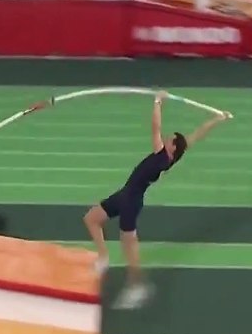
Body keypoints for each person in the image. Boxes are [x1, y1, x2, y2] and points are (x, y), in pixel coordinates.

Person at [83, 91, 231, 309]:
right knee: (92, 218)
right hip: (125, 194)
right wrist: (218, 119)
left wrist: (158, 101)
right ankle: (103, 259)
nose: (166, 138)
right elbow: (197, 134)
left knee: (129, 246)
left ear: (171, 147)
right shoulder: (173, 155)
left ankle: (136, 286)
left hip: (132, 201)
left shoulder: (162, 155)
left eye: (170, 139)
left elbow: (155, 126)